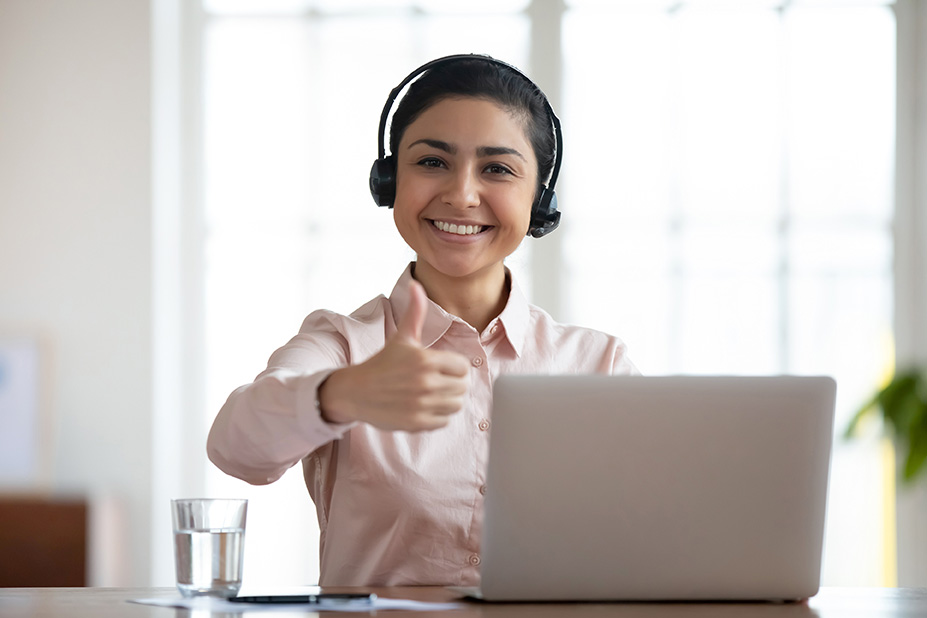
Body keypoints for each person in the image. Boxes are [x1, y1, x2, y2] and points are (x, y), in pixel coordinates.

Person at [206, 54, 637, 588]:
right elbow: (235, 447)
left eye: (497, 168)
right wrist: (342, 395)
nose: (461, 194)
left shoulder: (601, 365)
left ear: (539, 200)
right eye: (432, 162)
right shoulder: (344, 346)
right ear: (389, 181)